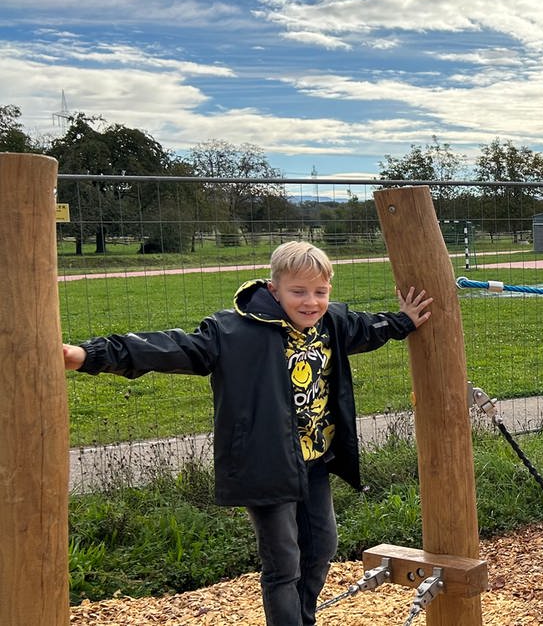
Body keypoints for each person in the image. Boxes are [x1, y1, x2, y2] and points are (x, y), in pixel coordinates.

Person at [61, 241, 433, 626]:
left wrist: (404, 320)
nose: (311, 302)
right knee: (283, 563)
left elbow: (367, 329)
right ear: (274, 290)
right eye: (298, 292)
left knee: (321, 548)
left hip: (313, 462)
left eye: (320, 292)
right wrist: (90, 355)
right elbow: (169, 347)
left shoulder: (330, 324)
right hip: (264, 463)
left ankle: (302, 618)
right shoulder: (232, 332)